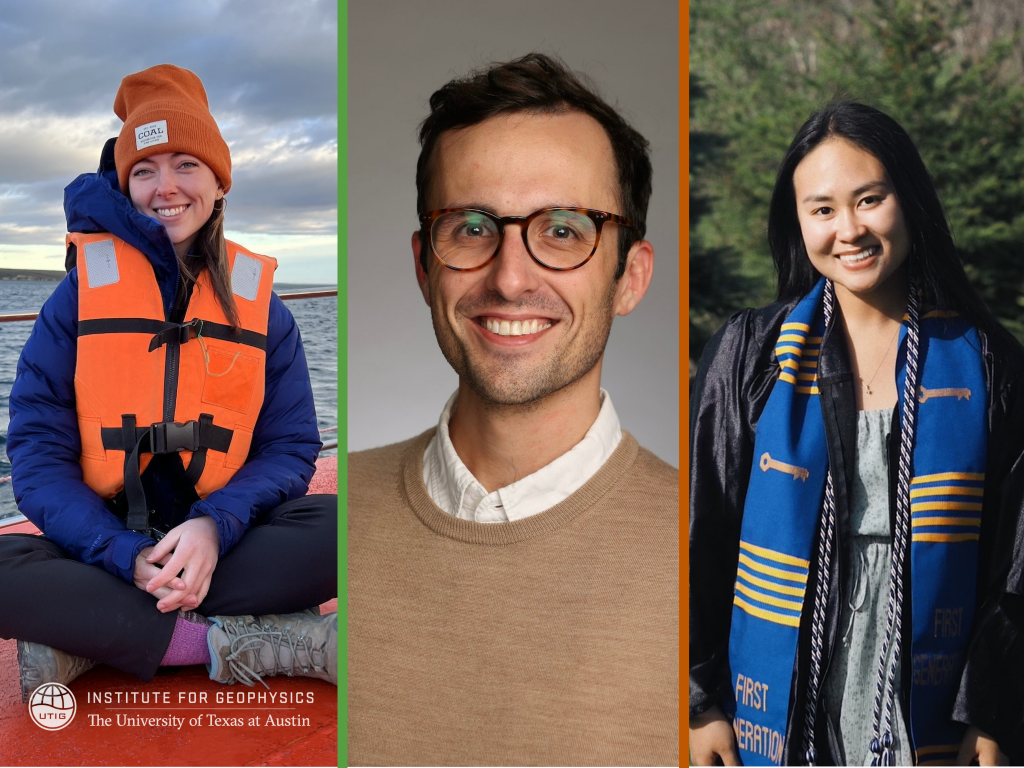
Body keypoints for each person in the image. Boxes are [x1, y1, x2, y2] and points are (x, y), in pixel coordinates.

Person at [347, 54, 679, 766]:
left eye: (563, 229)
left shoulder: (725, 552)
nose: (510, 275)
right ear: (422, 265)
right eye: (471, 226)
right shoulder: (325, 519)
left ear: (631, 276)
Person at [689, 101, 1024, 766]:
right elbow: (702, 531)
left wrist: (993, 714)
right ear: (798, 222)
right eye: (823, 209)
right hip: (785, 694)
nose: (849, 229)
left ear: (909, 201)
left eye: (870, 199)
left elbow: (1015, 563)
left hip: (928, 697)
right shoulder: (753, 356)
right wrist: (702, 704)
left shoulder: (988, 364)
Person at [0, 64, 338, 699]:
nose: (166, 187)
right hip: (103, 549)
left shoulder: (265, 307)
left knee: (346, 529)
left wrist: (215, 526)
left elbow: (291, 447)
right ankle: (245, 641)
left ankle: (93, 641)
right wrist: (121, 553)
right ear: (125, 185)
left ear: (218, 179)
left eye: (186, 163)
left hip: (225, 541)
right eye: (145, 169)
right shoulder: (73, 302)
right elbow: (37, 457)